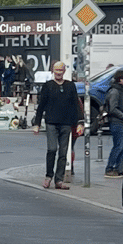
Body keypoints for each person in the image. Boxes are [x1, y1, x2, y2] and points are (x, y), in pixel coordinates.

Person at [33, 59, 84, 188]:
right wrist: (37, 123)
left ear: (64, 71)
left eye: (61, 70)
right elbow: (41, 105)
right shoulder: (48, 86)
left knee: (63, 152)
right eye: (56, 70)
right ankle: (48, 176)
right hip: (51, 122)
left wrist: (80, 122)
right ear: (52, 71)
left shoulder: (70, 86)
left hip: (66, 123)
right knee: (52, 149)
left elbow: (75, 105)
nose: (59, 73)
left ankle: (59, 180)